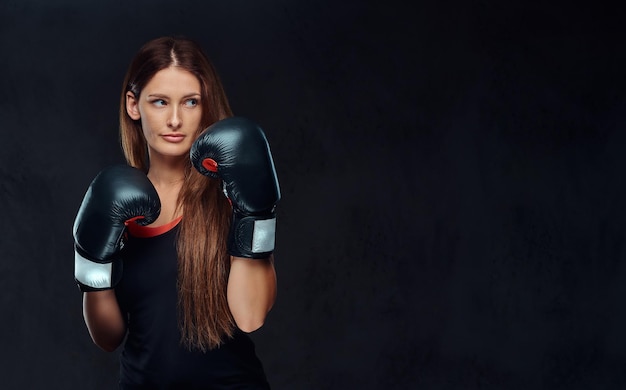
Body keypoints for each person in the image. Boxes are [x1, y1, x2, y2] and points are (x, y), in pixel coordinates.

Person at [72, 36, 280, 389]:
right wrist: (90, 264)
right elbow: (108, 337)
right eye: (159, 102)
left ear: (204, 106)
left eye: (190, 102)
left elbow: (250, 316)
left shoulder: (230, 192)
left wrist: (254, 214)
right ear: (134, 105)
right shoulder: (115, 204)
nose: (174, 119)